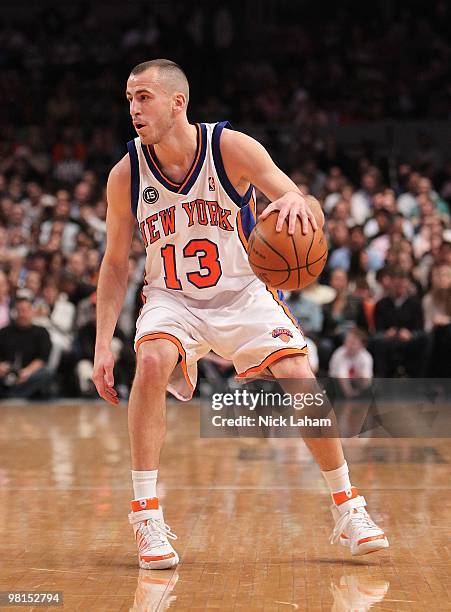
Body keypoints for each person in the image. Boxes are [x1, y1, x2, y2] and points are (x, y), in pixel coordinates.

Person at [92, 59, 389, 570]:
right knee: (153, 359)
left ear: (176, 102)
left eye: (144, 97)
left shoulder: (232, 148)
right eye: (129, 99)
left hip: (244, 290)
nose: (134, 109)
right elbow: (116, 263)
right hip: (173, 297)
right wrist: (101, 344)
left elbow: (303, 203)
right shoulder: (127, 174)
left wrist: (300, 205)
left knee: (298, 372)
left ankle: (349, 508)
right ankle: (145, 516)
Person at [0, 293, 52, 398]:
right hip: (6, 375)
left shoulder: (41, 332)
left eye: (26, 310)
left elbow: (42, 358)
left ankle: (13, 396)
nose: (22, 314)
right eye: (19, 310)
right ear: (14, 312)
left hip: (30, 374)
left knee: (46, 373)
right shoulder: (4, 332)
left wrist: (27, 372)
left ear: (32, 311)